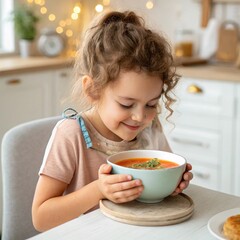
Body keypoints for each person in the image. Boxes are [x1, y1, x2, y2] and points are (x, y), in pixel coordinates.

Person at [32, 10, 193, 232]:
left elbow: (154, 186)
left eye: (151, 104)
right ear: (93, 90)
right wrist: (99, 189)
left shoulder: (150, 128)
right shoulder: (71, 135)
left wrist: (171, 184)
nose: (140, 117)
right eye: (126, 105)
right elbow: (40, 217)